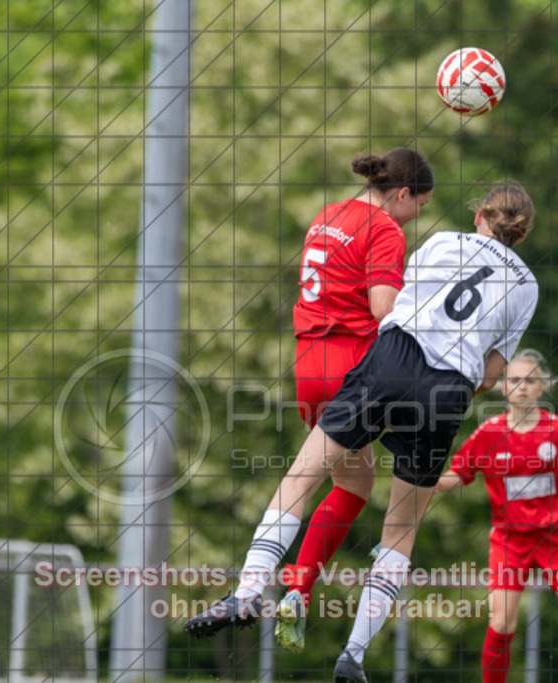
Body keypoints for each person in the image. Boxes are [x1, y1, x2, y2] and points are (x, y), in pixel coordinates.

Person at [185, 182, 540, 683]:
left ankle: (246, 594)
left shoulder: (439, 243)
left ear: (480, 215)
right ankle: (353, 656)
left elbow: (390, 309)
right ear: (521, 235)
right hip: (448, 391)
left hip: (393, 360)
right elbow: (489, 375)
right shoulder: (528, 286)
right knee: (400, 532)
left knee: (302, 477)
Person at [184, 147, 435, 653]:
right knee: (388, 476)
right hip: (354, 364)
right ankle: (271, 587)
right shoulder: (386, 229)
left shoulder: (329, 214)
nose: (419, 214)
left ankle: (290, 588)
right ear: (403, 193)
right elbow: (384, 311)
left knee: (351, 481)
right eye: (421, 203)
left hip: (309, 367)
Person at [438, 349, 558, 683]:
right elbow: (456, 474)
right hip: (510, 542)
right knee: (502, 623)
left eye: (529, 380)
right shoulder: (489, 433)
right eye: (514, 380)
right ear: (502, 387)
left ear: (541, 387)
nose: (521, 386)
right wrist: (424, 483)